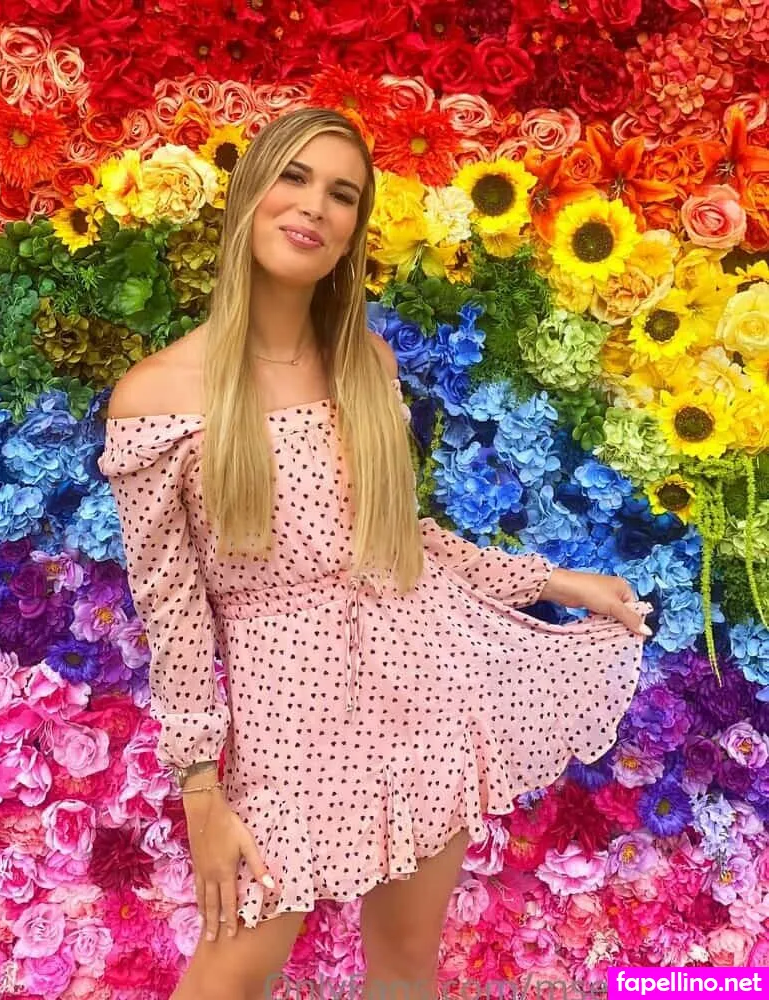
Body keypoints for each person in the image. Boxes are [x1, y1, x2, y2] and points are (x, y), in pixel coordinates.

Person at [97, 107, 653, 1000]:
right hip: (289, 726)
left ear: (354, 227)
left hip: (423, 692)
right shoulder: (159, 395)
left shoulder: (367, 363)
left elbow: (399, 544)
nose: (313, 206)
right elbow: (175, 616)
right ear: (248, 194)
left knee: (403, 965)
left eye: (342, 193)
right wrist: (202, 792)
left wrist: (551, 581)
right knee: (229, 976)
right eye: (293, 178)